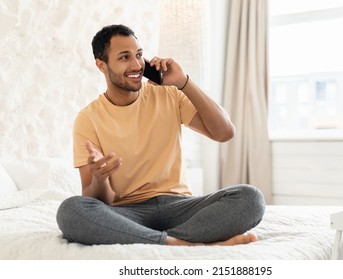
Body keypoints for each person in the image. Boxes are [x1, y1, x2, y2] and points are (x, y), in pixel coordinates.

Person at [56, 24, 265, 246]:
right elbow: (96, 201)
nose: (136, 64)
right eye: (124, 57)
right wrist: (99, 179)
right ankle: (186, 242)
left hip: (179, 206)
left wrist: (184, 82)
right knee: (71, 210)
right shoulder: (88, 118)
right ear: (101, 65)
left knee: (250, 198)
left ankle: (161, 240)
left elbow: (225, 132)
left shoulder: (168, 94)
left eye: (139, 55)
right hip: (127, 213)